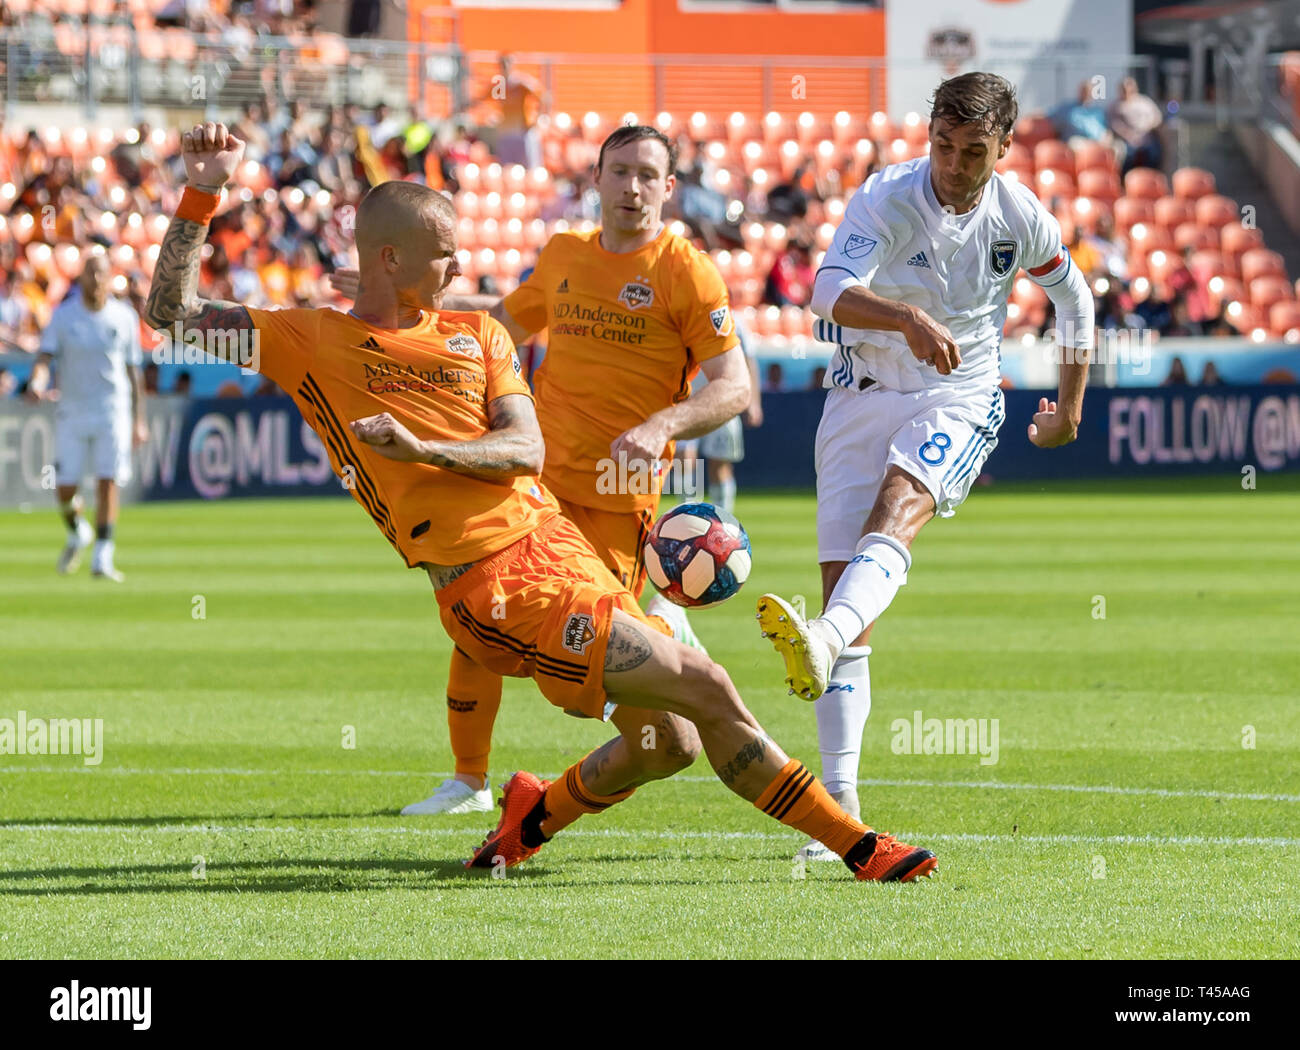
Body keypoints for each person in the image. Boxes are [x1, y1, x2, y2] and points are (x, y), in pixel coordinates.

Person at [145, 120, 938, 883]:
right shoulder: (310, 340)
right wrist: (201, 195)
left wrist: (424, 451)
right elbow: (171, 314)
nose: (460, 269)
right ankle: (859, 847)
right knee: (707, 681)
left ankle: (533, 816)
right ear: (388, 259)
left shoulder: (479, 340)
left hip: (565, 543)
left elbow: (526, 451)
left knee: (672, 744)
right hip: (494, 587)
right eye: (445, 257)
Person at [333, 126, 753, 818]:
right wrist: (400, 293)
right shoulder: (562, 255)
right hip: (532, 485)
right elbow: (498, 324)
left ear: (670, 188)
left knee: (597, 653)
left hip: (619, 498)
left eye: (649, 174)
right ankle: (468, 782)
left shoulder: (687, 271)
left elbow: (734, 386)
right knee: (477, 620)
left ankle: (604, 766)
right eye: (620, 172)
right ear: (596, 179)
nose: (633, 187)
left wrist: (661, 426)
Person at [760, 72, 1094, 861]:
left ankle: (826, 633)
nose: (952, 163)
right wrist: (903, 317)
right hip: (859, 392)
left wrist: (1071, 408)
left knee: (901, 506)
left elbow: (1074, 300)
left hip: (961, 393)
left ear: (1003, 148)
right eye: (942, 145)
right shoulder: (887, 195)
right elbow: (825, 292)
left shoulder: (1020, 217)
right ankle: (837, 815)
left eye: (972, 151)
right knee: (850, 584)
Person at [26, 254, 147, 581]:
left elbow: (134, 371)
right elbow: (45, 355)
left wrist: (139, 419)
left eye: (101, 274)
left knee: (108, 480)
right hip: (73, 409)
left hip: (113, 409)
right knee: (64, 485)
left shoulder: (124, 317)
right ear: (80, 278)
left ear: (110, 279)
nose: (95, 280)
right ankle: (78, 529)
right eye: (90, 273)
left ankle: (102, 557)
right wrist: (38, 382)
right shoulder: (64, 316)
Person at [699, 316, 762, 515]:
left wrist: (754, 402)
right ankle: (686, 520)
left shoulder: (735, 320)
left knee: (720, 463)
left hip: (723, 399)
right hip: (687, 397)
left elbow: (749, 360)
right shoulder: (684, 311)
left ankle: (723, 520)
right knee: (685, 461)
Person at [1107, 77, 1164, 175]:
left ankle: (1149, 181)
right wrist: (1129, 135)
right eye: (1124, 89)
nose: (1127, 91)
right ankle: (1126, 182)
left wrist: (1148, 128)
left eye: (1129, 88)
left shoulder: (1145, 102)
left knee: (1154, 154)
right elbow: (1114, 124)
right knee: (1127, 157)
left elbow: (1157, 117)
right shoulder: (1115, 105)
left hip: (1147, 138)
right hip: (1127, 140)